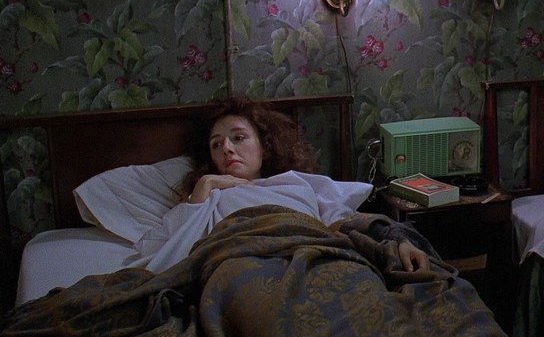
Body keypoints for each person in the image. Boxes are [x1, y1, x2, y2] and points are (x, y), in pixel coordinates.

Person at [178, 97, 431, 272]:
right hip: (247, 268)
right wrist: (204, 185)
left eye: (238, 137)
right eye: (216, 144)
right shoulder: (211, 198)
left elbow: (342, 222)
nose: (227, 148)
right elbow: (176, 248)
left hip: (316, 258)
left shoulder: (297, 184)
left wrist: (398, 240)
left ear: (264, 145)